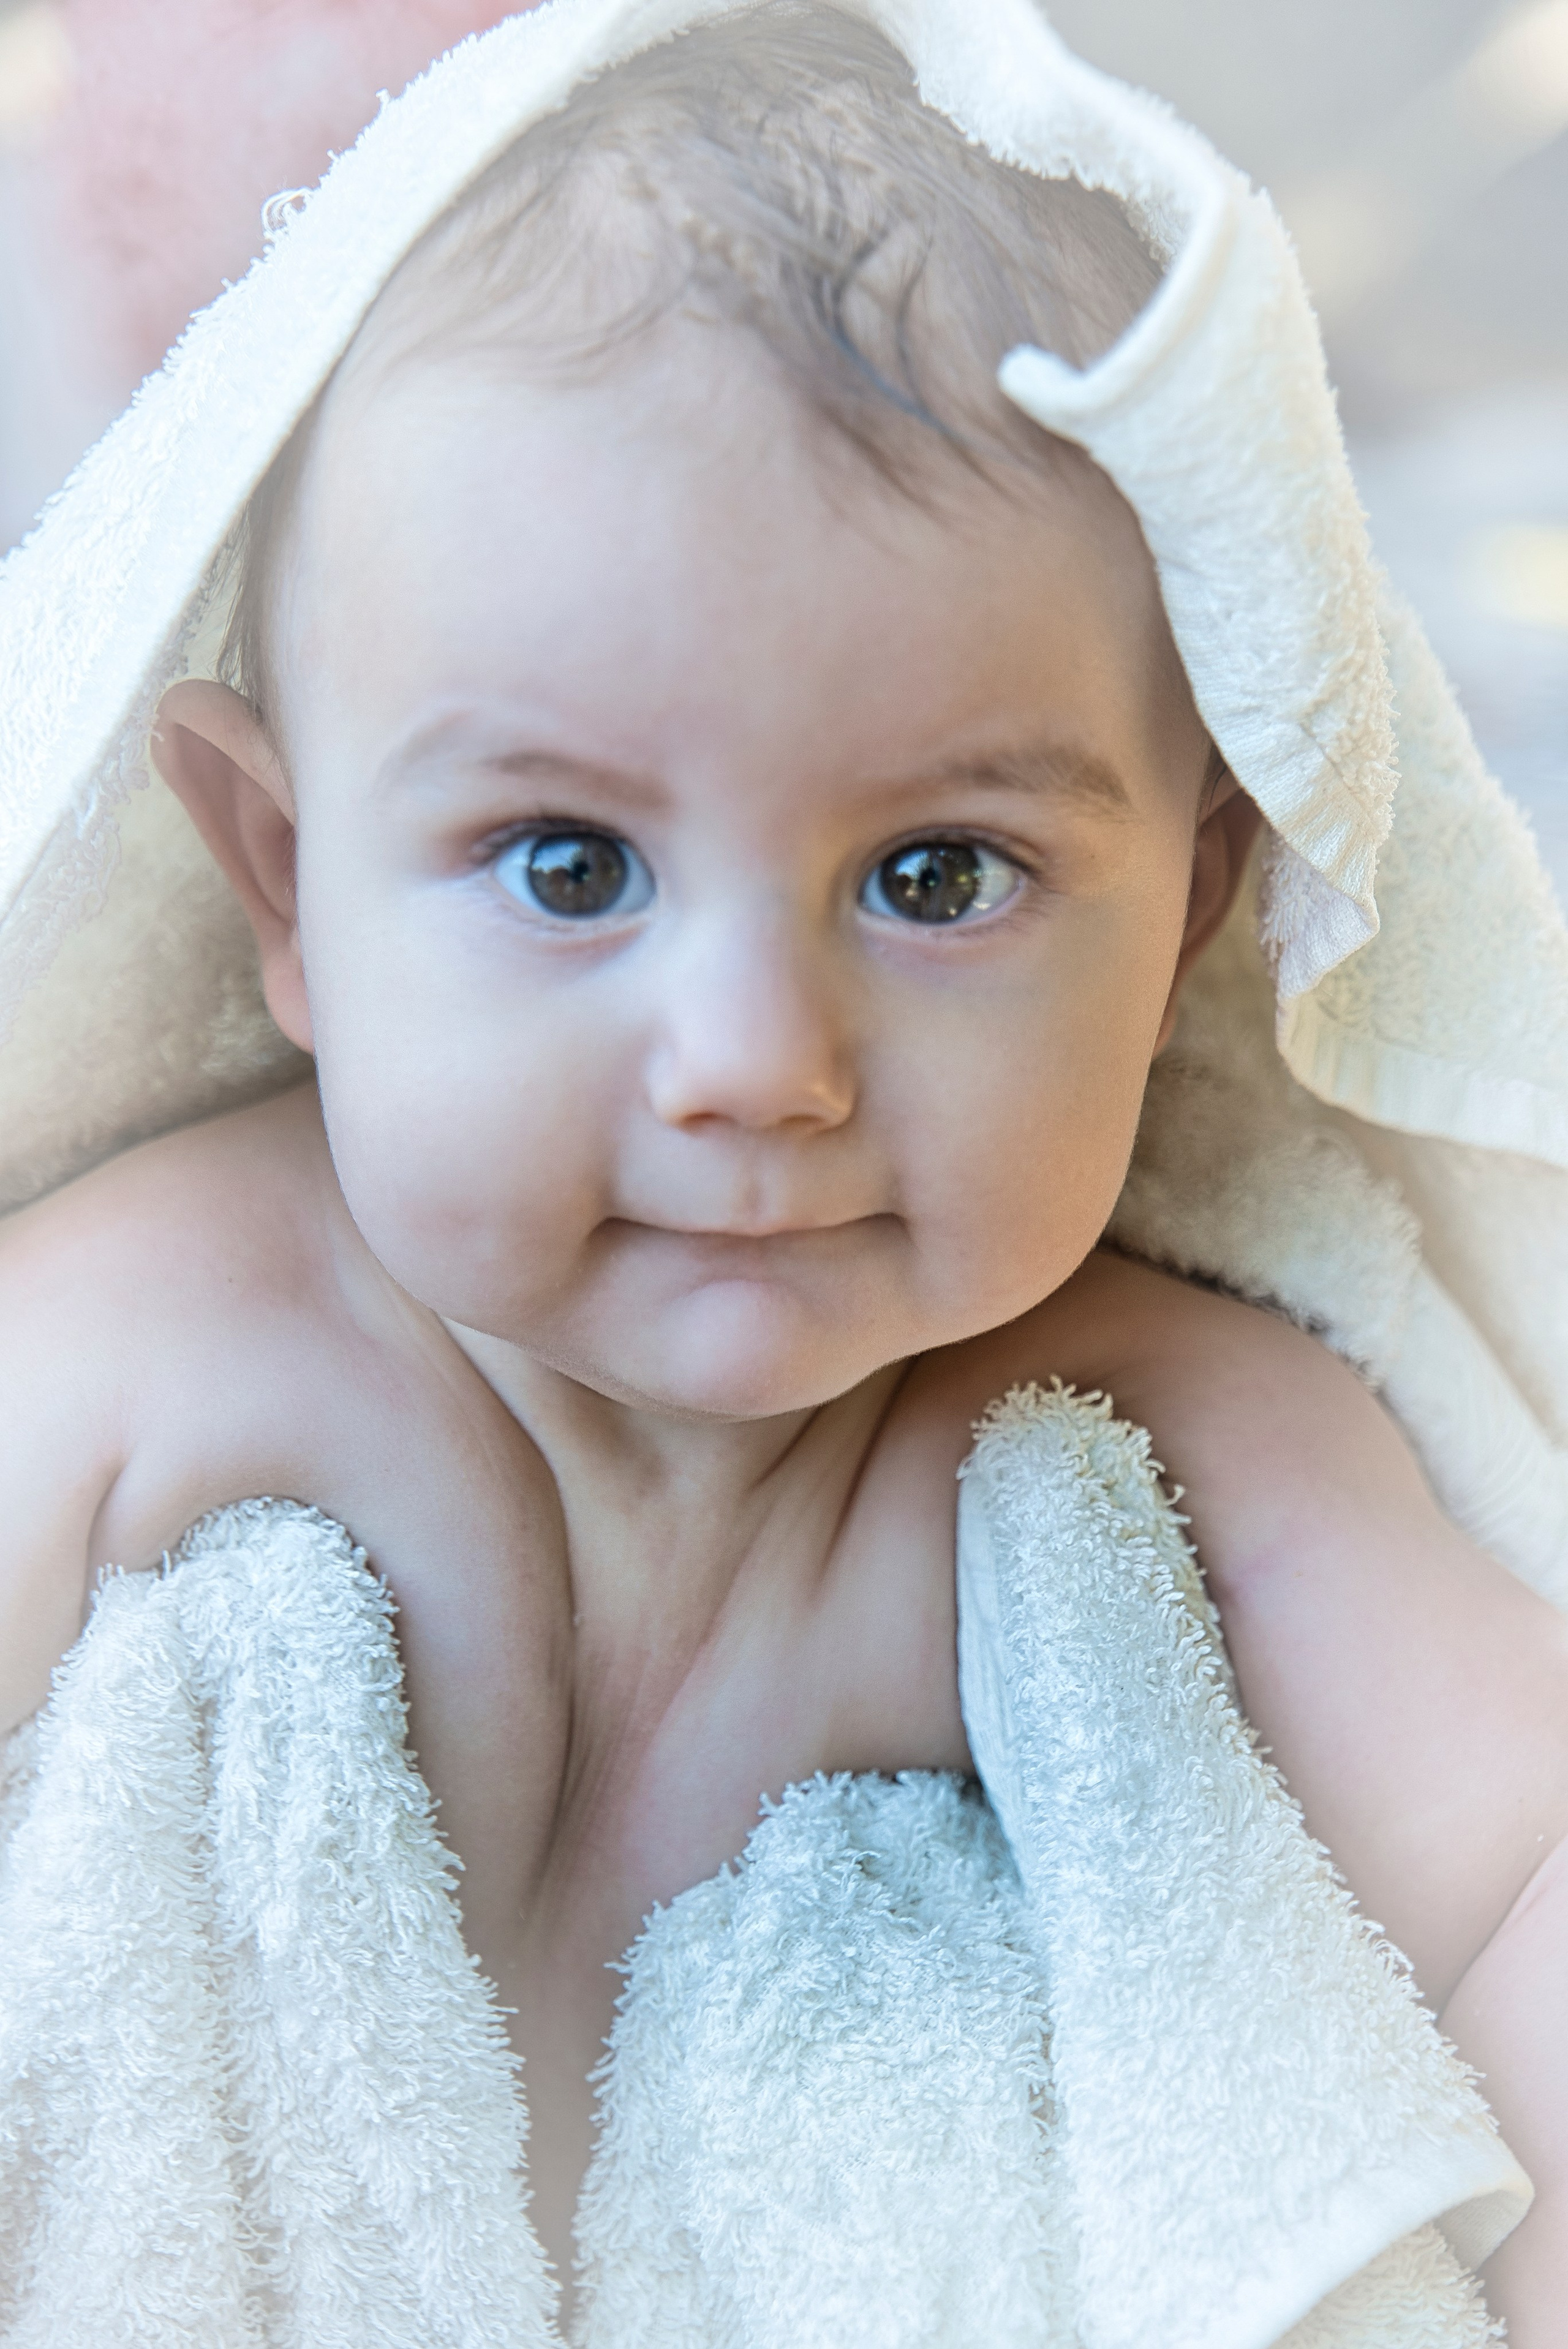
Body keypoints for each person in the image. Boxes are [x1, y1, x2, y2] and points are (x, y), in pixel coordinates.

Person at [2, 4, 1566, 2341]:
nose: (757, 1063)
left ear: (1186, 921)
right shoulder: (143, 1338)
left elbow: (1528, 1878)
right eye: (568, 863)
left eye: (937, 877)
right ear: (282, 877)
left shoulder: (1166, 1448)